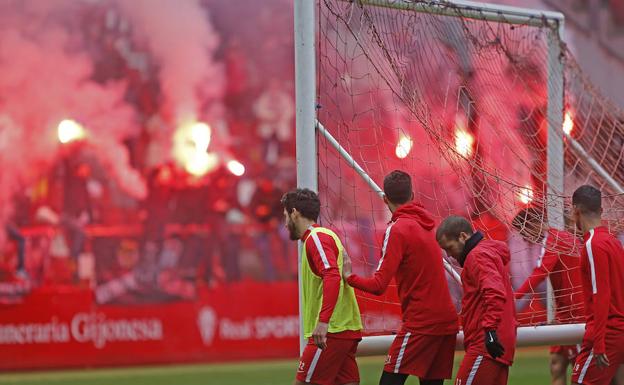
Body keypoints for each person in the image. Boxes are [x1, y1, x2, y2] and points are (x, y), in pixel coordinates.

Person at [342, 170, 458, 385]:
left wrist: (349, 277)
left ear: (385, 199)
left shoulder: (397, 229)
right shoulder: (429, 224)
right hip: (447, 320)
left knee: (389, 382)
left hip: (422, 322)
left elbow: (378, 285)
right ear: (412, 195)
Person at [281, 188, 362, 385]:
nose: (284, 223)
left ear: (294, 212)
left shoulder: (316, 238)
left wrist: (323, 322)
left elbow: (331, 275)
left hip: (331, 332)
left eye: (285, 215)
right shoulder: (322, 237)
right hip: (341, 329)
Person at [436, 216, 516, 385]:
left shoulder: (477, 256)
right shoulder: (487, 252)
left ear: (463, 236)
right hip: (494, 342)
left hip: (486, 344)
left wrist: (490, 332)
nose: (449, 255)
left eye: (449, 248)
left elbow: (494, 292)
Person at [512, 207, 583, 385]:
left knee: (580, 372)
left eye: (523, 232)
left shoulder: (554, 239)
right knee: (557, 365)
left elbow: (540, 272)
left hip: (575, 315)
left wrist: (515, 296)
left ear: (532, 225)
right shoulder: (559, 238)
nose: (524, 239)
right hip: (564, 314)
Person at [570, 185, 624, 385]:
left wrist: (599, 344)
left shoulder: (593, 245)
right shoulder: (613, 242)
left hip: (606, 334)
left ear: (575, 210)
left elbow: (601, 294)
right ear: (601, 211)